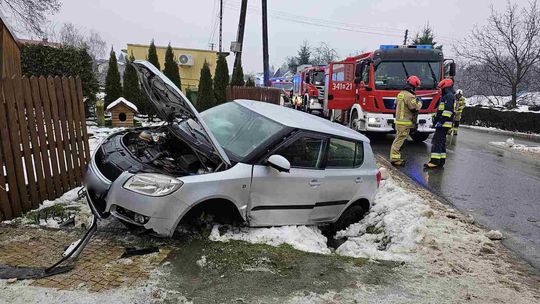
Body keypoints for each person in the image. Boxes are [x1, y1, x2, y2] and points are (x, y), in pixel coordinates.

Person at [389, 75, 422, 166]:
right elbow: (414, 108)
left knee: (398, 139)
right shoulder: (410, 96)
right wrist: (419, 103)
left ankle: (396, 157)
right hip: (405, 122)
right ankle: (395, 159)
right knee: (399, 140)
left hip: (399, 121)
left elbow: (395, 105)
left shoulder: (400, 94)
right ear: (413, 86)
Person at [425, 79, 455, 169]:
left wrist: (441, 122)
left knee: (437, 142)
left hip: (444, 123)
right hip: (443, 123)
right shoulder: (447, 96)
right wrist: (435, 122)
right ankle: (440, 161)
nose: (441, 90)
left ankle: (434, 162)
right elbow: (440, 111)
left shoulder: (449, 96)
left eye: (442, 88)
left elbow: (447, 111)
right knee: (441, 142)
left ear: (445, 87)